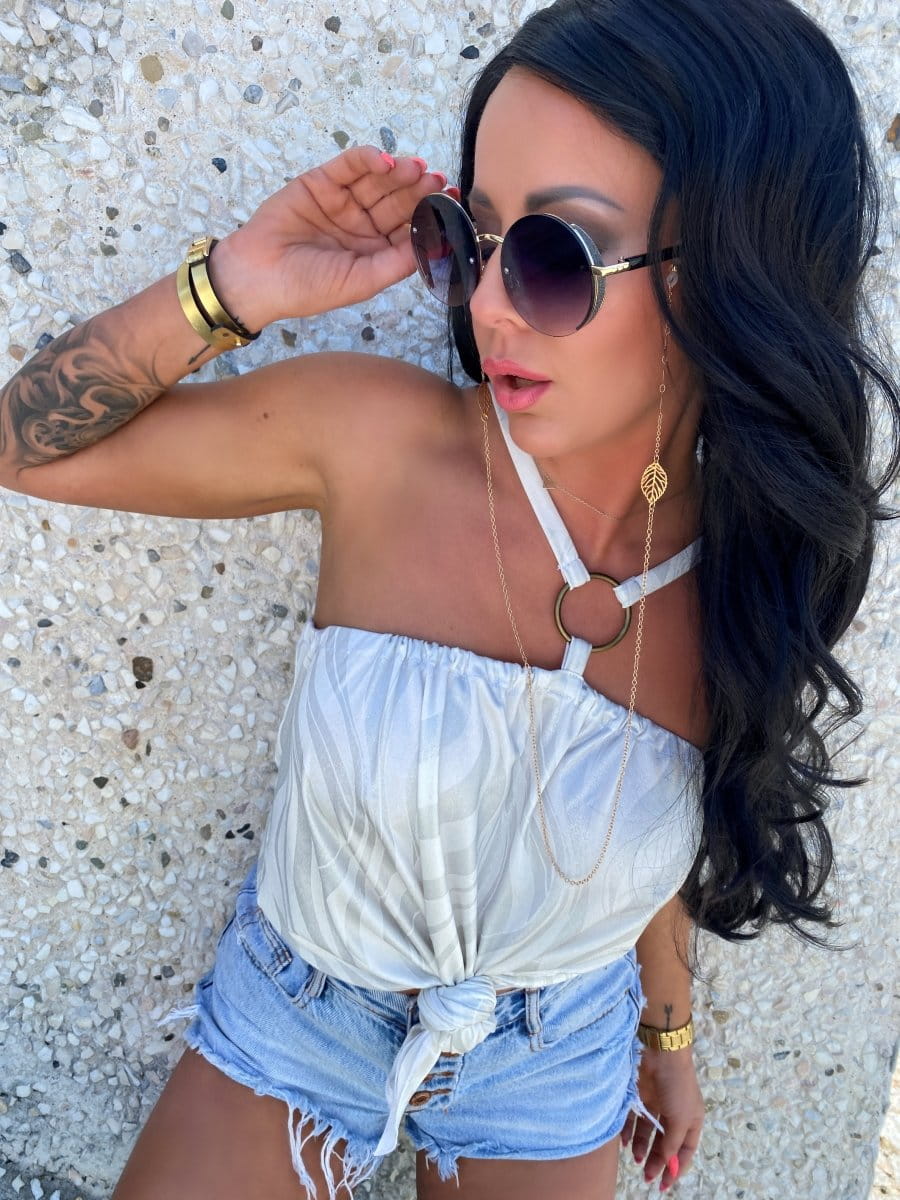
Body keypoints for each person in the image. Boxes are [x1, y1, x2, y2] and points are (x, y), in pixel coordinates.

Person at [1, 0, 897, 1196]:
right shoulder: (380, 442)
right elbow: (26, 448)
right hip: (303, 1008)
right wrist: (236, 283)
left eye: (553, 256)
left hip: (558, 1051)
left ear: (730, 274)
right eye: (467, 241)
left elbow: (642, 816)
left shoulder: (750, 561)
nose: (485, 305)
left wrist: (667, 1032)